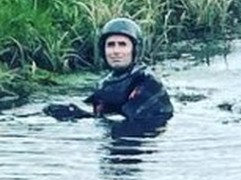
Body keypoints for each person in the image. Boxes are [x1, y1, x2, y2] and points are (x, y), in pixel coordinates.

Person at [44, 17, 173, 129]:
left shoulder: (146, 82)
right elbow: (95, 108)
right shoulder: (106, 82)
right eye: (110, 45)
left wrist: (83, 117)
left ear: (135, 49)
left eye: (122, 45)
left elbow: (135, 123)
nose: (115, 51)